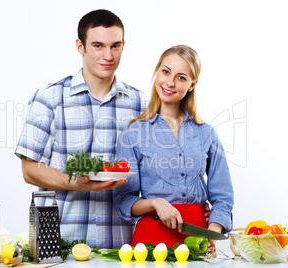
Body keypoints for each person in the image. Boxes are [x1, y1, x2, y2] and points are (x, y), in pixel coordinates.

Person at [14, 9, 146, 249]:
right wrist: (74, 182)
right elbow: (29, 170)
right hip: (58, 245)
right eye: (98, 45)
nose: (108, 55)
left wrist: (194, 209)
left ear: (123, 45)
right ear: (80, 46)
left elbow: (153, 173)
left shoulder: (140, 104)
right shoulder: (50, 98)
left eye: (115, 46)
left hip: (120, 247)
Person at [113, 45, 234, 249]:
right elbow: (124, 199)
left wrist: (211, 234)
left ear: (192, 85)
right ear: (157, 72)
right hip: (150, 242)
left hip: (197, 241)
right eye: (166, 72)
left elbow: (223, 196)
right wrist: (155, 203)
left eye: (181, 77)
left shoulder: (207, 133)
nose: (169, 82)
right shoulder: (132, 134)